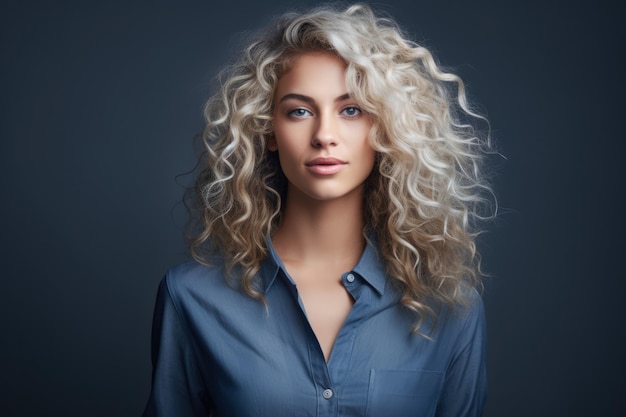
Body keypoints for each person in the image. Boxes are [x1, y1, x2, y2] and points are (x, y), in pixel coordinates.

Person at [143, 3, 494, 416]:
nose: (324, 135)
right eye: (299, 111)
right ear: (269, 130)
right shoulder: (193, 297)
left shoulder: (448, 306)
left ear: (384, 129)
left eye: (351, 110)